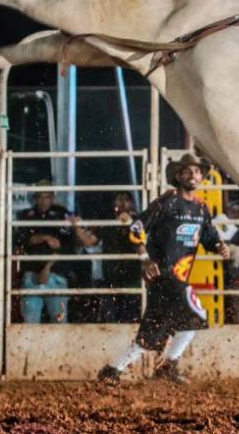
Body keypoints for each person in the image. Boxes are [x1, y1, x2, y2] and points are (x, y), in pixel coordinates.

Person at [97, 154, 230, 385]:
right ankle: (168, 365)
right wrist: (145, 258)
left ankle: (112, 370)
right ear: (178, 176)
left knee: (153, 329)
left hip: (171, 277)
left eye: (197, 172)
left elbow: (209, 237)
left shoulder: (201, 208)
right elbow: (137, 226)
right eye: (188, 171)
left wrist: (220, 246)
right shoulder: (167, 202)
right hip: (164, 274)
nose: (194, 175)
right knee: (196, 314)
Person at [14, 180, 97, 324]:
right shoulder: (26, 215)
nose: (43, 201)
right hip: (33, 274)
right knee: (30, 323)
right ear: (35, 197)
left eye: (47, 197)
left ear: (52, 197)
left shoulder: (62, 215)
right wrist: (45, 238)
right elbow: (22, 240)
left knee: (59, 321)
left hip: (55, 274)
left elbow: (67, 246)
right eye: (40, 196)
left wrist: (48, 266)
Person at [93, 192, 143, 323]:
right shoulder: (108, 222)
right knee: (111, 319)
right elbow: (90, 241)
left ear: (132, 203)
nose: (122, 203)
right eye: (118, 199)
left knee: (132, 318)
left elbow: (145, 241)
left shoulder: (140, 220)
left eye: (126, 199)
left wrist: (130, 223)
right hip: (111, 279)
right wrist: (77, 227)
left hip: (133, 278)